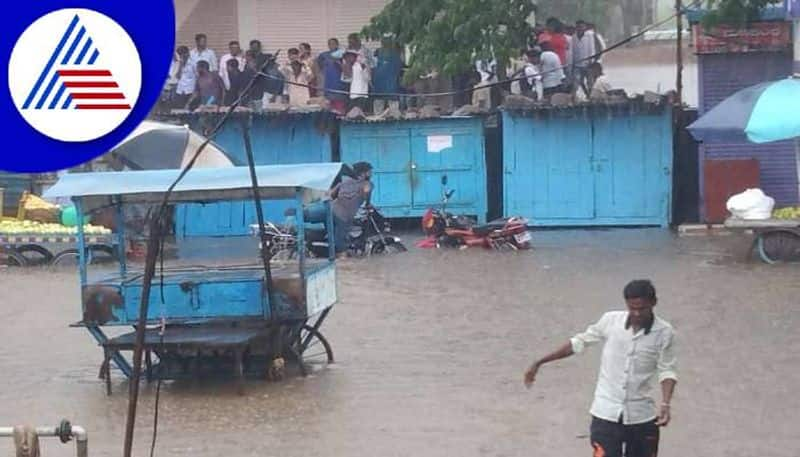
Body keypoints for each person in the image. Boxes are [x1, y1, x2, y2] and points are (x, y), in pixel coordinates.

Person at [524, 280, 677, 457]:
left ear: (653, 303)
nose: (636, 313)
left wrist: (666, 403)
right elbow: (578, 343)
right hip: (605, 414)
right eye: (631, 308)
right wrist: (540, 362)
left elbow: (667, 370)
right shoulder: (610, 321)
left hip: (642, 416)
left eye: (641, 308)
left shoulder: (665, 332)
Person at [330, 162, 373, 254]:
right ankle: (341, 254)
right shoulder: (367, 184)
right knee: (342, 243)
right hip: (343, 216)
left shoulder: (343, 182)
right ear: (363, 173)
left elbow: (331, 195)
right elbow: (366, 196)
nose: (371, 173)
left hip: (330, 208)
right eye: (369, 171)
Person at [372, 36, 403, 113]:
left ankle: (396, 119)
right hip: (379, 83)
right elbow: (373, 67)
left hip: (391, 82)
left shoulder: (395, 53)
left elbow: (398, 67)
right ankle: (377, 119)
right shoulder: (377, 53)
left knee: (393, 106)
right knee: (378, 104)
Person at [318, 38, 347, 113]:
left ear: (337, 44)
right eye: (329, 44)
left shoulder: (342, 54)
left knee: (340, 106)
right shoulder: (324, 55)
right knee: (328, 107)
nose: (331, 45)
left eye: (333, 44)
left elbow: (346, 68)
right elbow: (319, 66)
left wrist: (338, 62)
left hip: (339, 83)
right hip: (328, 84)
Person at [570, 20, 597, 97]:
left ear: (585, 27)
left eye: (582, 27)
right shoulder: (574, 37)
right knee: (576, 83)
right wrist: (572, 63)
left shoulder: (589, 36)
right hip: (577, 64)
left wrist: (591, 61)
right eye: (578, 27)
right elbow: (572, 51)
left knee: (590, 83)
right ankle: (573, 98)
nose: (580, 28)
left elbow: (592, 49)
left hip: (587, 64)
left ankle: (590, 97)